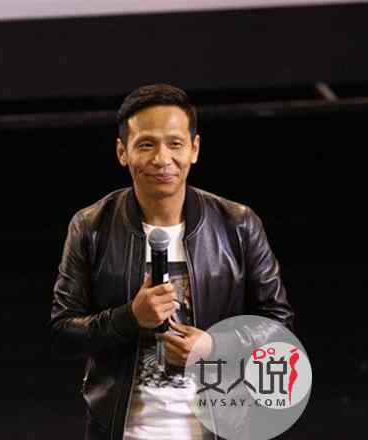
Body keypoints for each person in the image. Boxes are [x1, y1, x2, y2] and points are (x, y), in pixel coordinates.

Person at [50, 84, 294, 440]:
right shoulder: (91, 226)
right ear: (122, 152)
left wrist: (214, 345)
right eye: (146, 144)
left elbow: (277, 323)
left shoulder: (238, 224)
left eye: (175, 144)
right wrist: (129, 317)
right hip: (122, 431)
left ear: (194, 149)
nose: (162, 159)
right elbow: (63, 332)